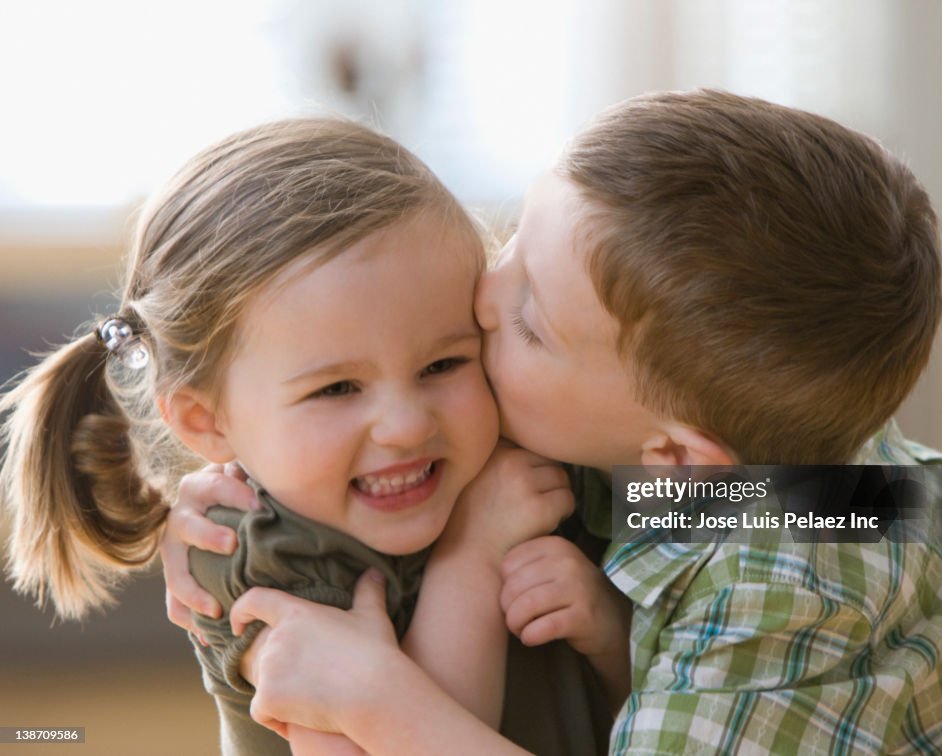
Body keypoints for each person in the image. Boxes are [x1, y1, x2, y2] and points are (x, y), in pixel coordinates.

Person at [163, 90, 942, 753]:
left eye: (531, 321)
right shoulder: (768, 458)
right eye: (514, 248)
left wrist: (384, 702)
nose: (483, 299)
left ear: (677, 460)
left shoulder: (780, 601)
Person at [0, 118, 623, 755]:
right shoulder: (263, 562)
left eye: (442, 365)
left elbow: (726, 513)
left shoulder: (520, 459)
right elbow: (405, 734)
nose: (407, 425)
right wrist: (474, 554)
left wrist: (611, 633)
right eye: (337, 389)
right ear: (205, 421)